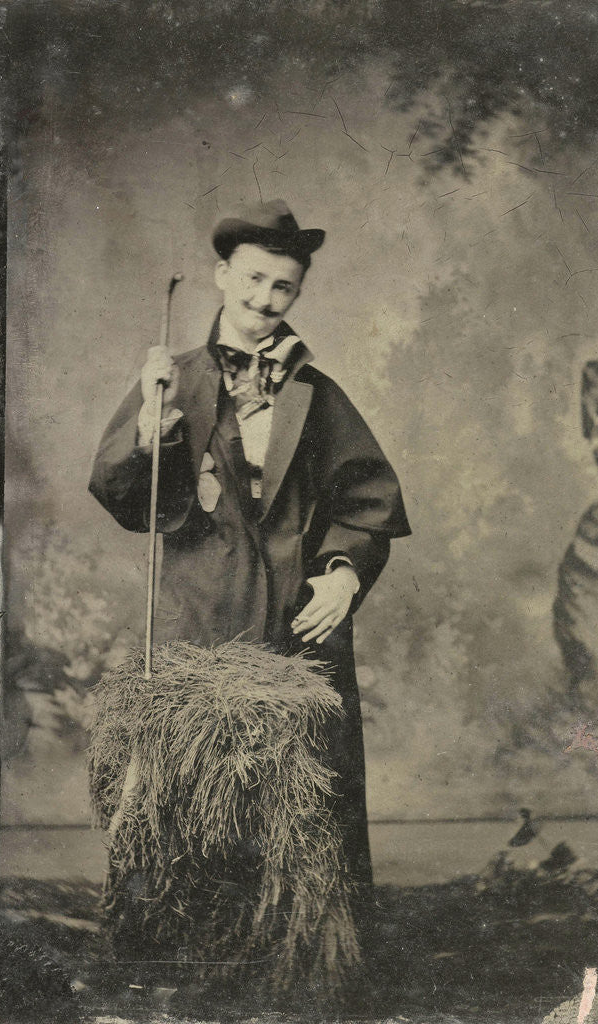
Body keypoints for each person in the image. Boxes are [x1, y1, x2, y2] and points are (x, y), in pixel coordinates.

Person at [89, 199, 411, 914]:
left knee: (302, 790)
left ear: (296, 294)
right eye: (255, 279)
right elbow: (127, 498)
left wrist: (344, 574)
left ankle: (300, 947)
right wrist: (151, 429)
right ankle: (183, 942)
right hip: (198, 616)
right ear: (222, 274)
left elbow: (365, 502)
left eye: (283, 288)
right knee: (191, 784)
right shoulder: (170, 378)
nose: (265, 300)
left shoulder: (316, 394)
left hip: (296, 622)